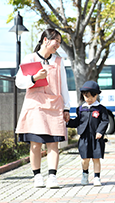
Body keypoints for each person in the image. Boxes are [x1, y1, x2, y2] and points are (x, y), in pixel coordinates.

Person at [15, 28, 70, 188]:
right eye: (56, 41)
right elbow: (19, 82)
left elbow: (64, 86)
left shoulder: (59, 61)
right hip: (35, 106)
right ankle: (37, 176)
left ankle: (52, 176)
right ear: (45, 40)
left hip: (54, 105)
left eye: (60, 42)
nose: (58, 45)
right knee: (35, 143)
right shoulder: (30, 58)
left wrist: (67, 108)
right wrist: (34, 78)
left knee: (53, 143)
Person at [67, 81, 109, 186]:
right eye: (86, 96)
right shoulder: (81, 109)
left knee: (96, 158)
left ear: (97, 95)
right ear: (83, 96)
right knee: (85, 159)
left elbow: (105, 121)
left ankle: (97, 177)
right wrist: (67, 122)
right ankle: (85, 175)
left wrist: (100, 131)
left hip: (96, 138)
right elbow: (78, 121)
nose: (89, 99)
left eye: (92, 96)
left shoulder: (101, 109)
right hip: (84, 137)